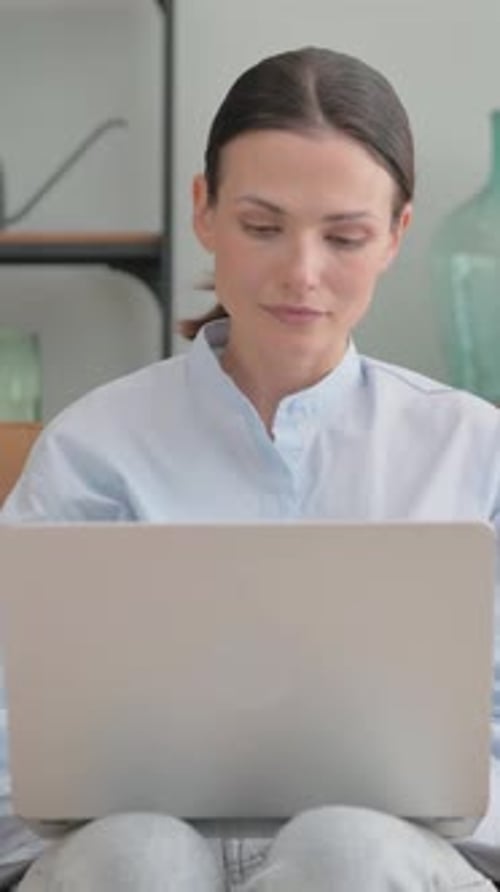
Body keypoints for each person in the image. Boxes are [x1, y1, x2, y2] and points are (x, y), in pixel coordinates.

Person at [2, 44, 500, 891]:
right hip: (123, 853)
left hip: (389, 860)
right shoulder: (95, 449)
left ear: (396, 236)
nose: (300, 274)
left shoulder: (472, 450)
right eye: (262, 227)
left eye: (344, 236)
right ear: (204, 210)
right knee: (136, 858)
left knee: (350, 849)